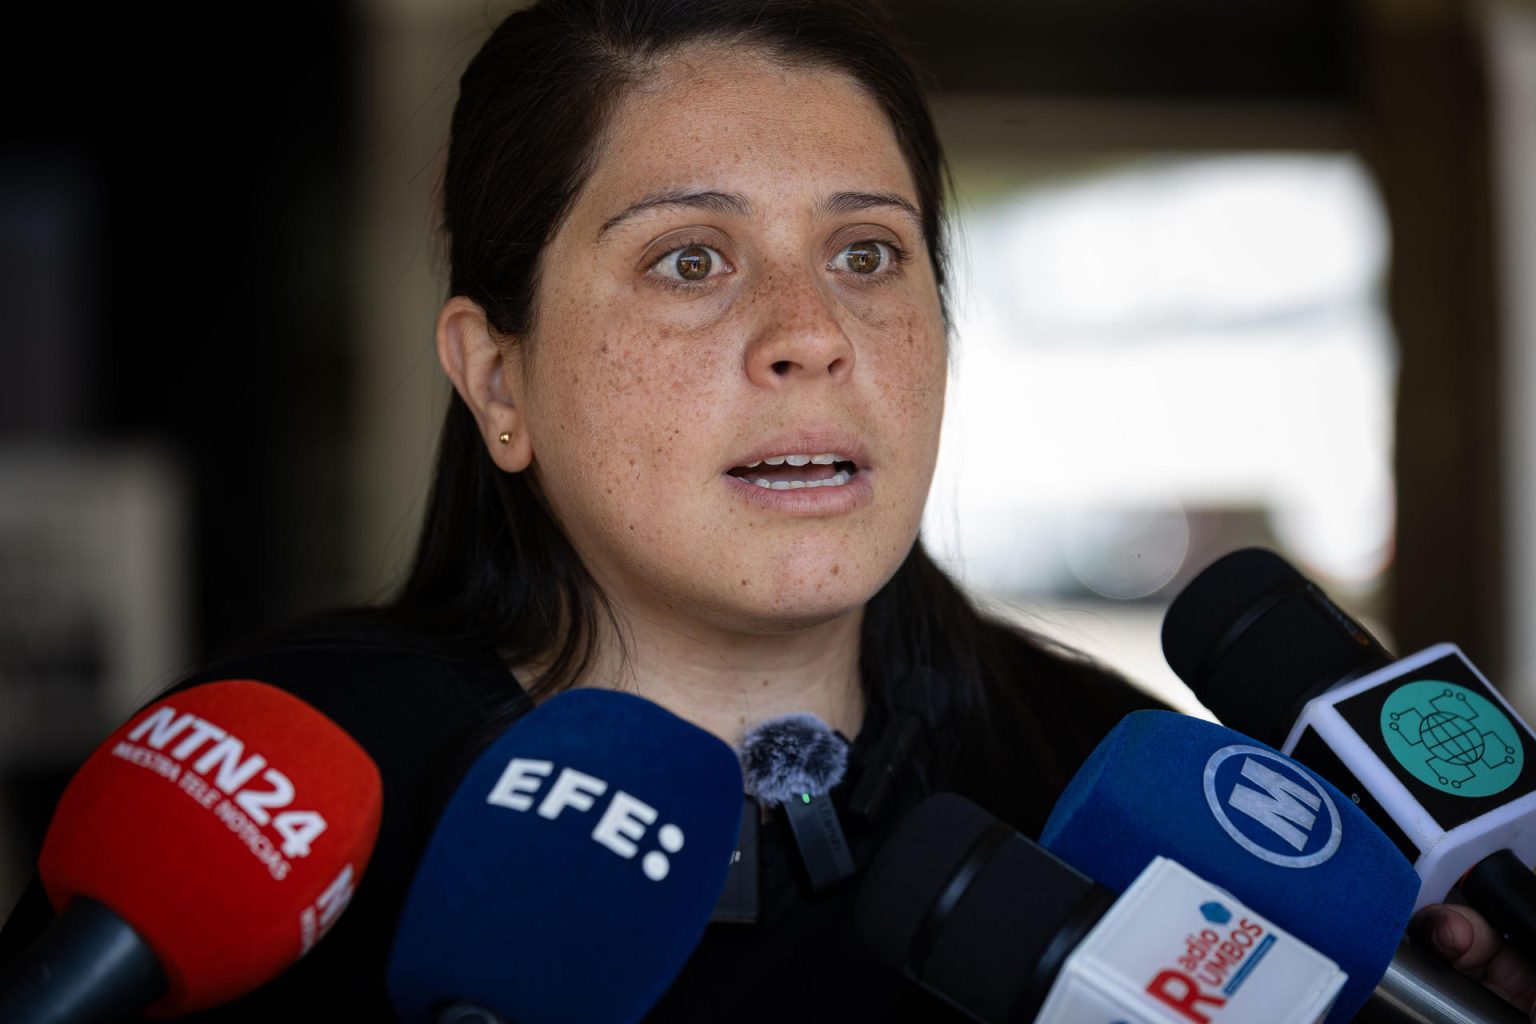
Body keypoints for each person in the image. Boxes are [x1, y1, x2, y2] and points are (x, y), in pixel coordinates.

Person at [1, 0, 1523, 1019]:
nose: (811, 333)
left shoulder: (1114, 795)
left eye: (867, 254)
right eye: (690, 260)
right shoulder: (278, 795)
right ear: (497, 378)